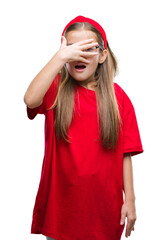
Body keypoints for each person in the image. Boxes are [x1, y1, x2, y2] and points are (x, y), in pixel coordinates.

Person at [24, 16, 143, 240]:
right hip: (62, 210)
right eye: (72, 49)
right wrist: (59, 58)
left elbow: (126, 153)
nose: (79, 55)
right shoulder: (56, 90)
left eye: (88, 49)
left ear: (102, 55)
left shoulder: (119, 98)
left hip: (104, 210)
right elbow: (30, 100)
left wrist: (131, 201)